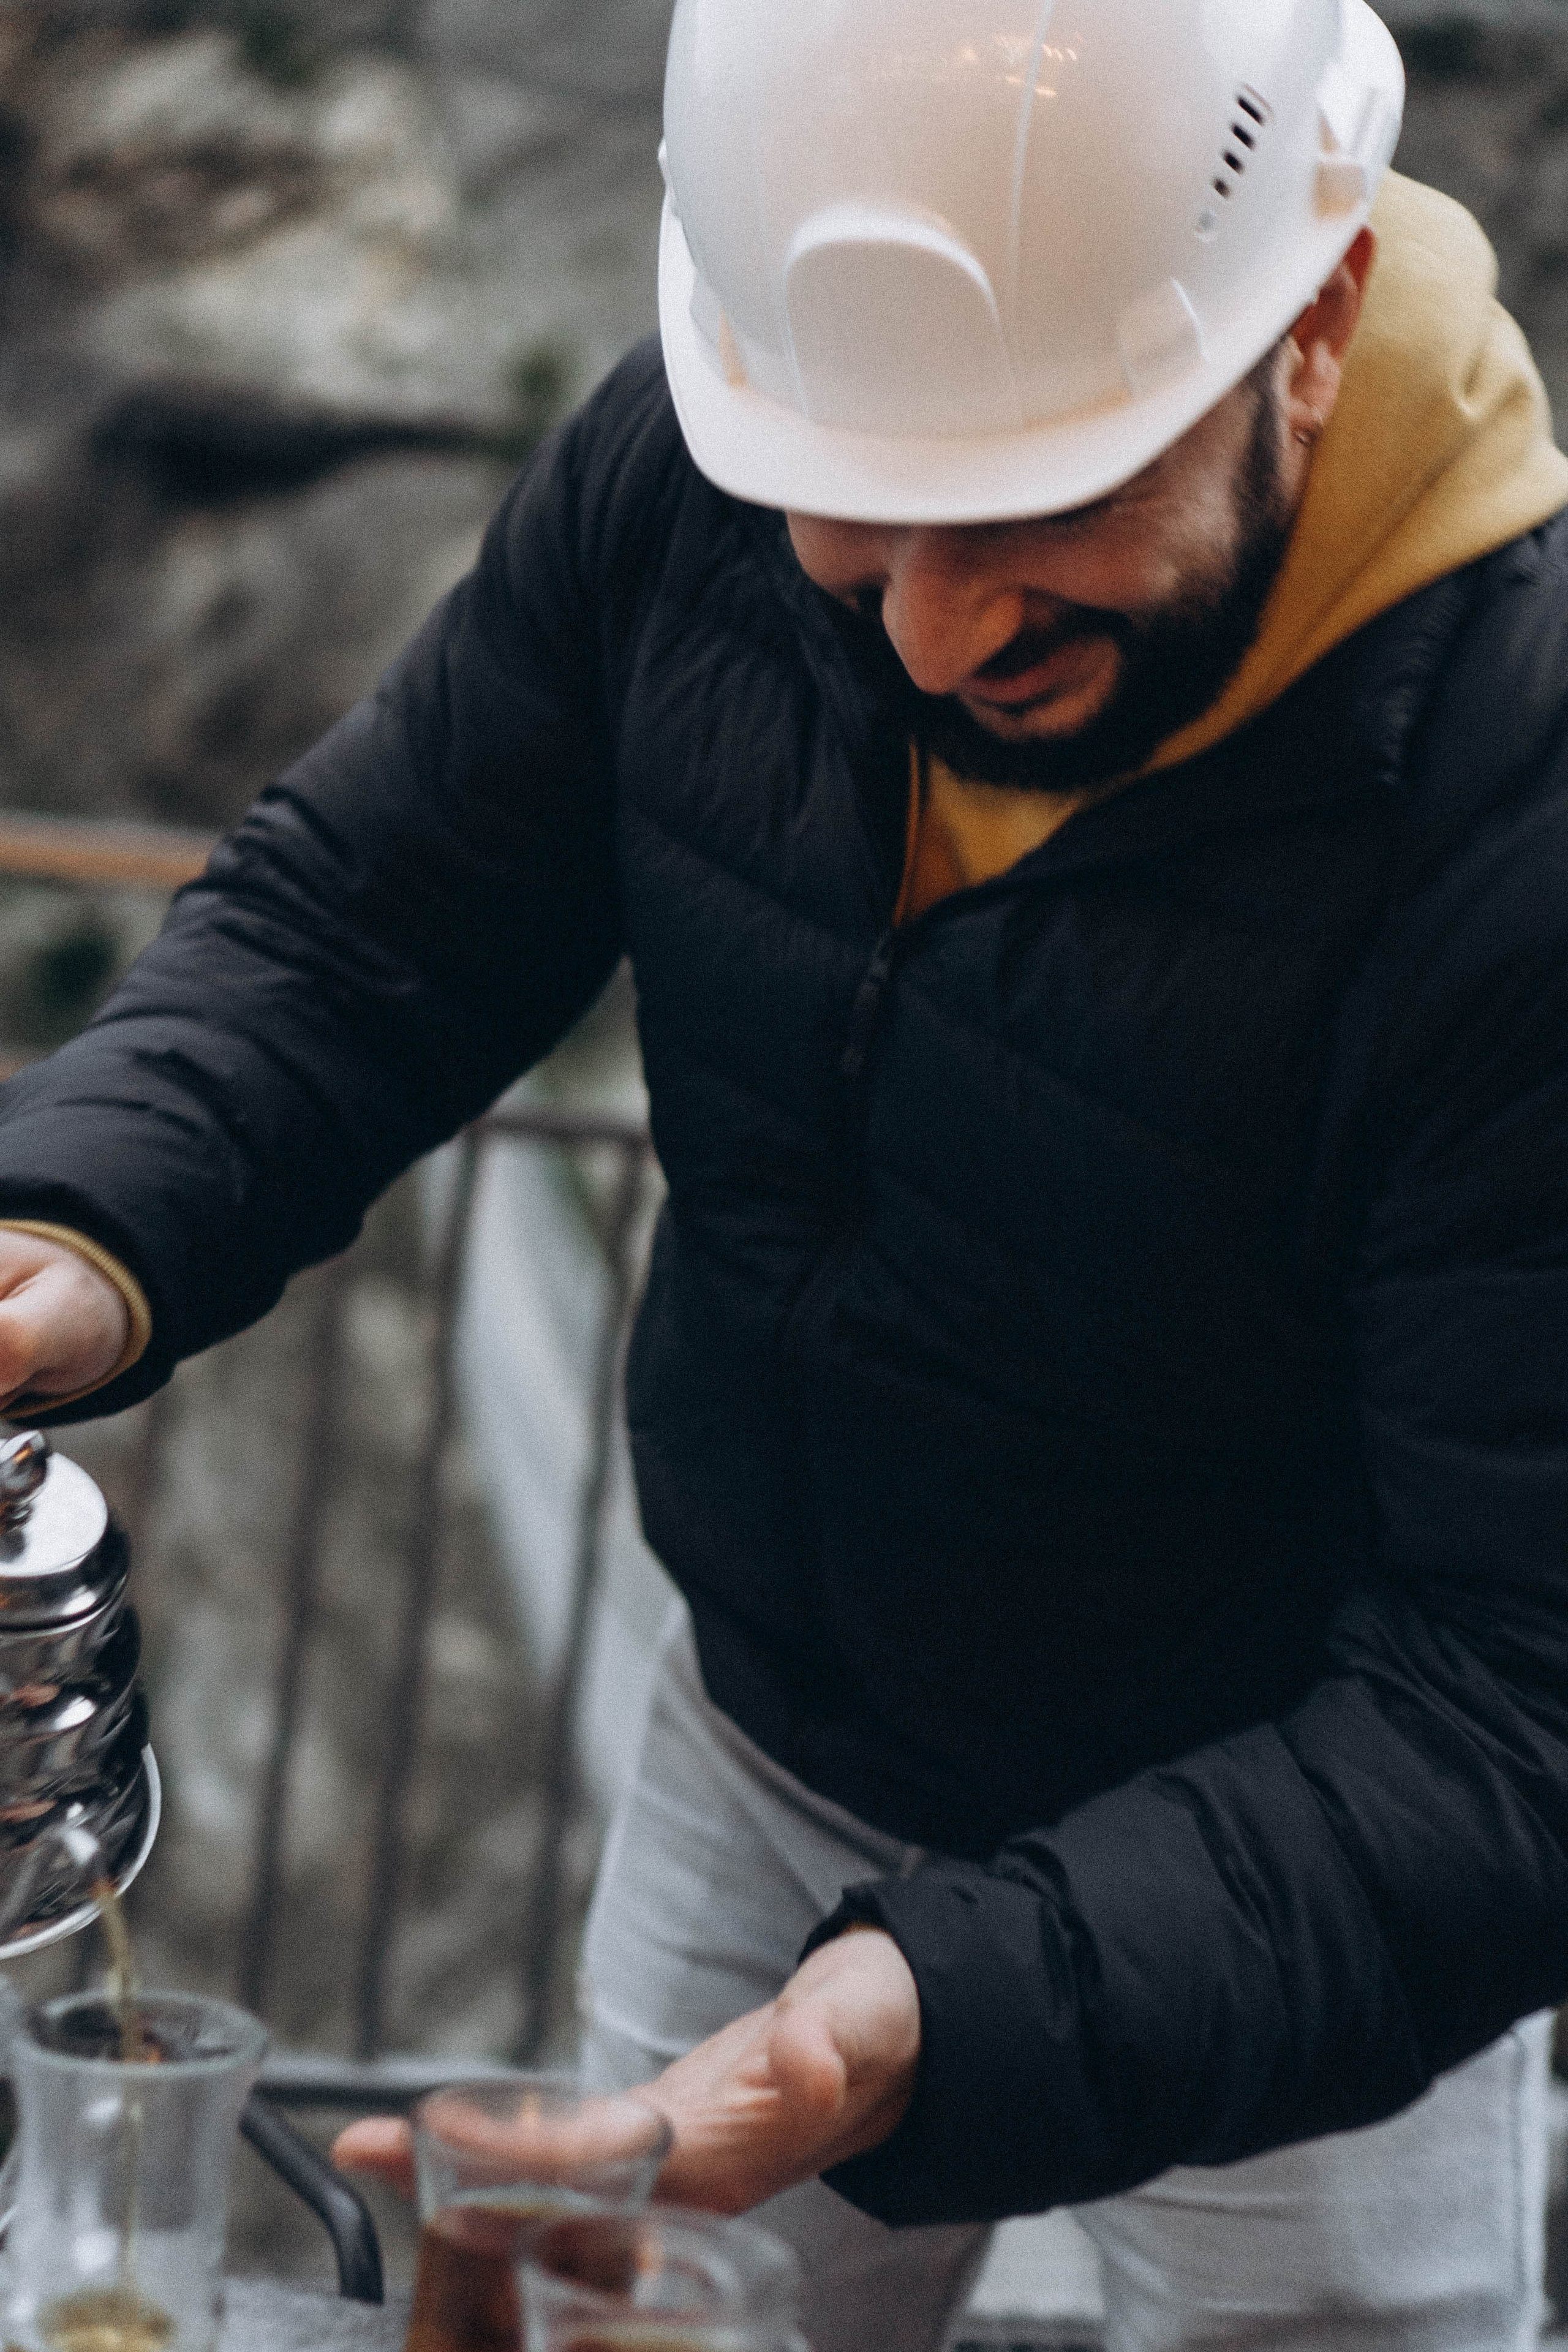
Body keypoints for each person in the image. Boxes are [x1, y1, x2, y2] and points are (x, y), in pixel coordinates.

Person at [1, 1, 1566, 2344]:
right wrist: (69, 1236)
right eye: (857, 535)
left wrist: (909, 2017)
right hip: (764, 1754)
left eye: (1038, 503)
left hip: (1308, 1920)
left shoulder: (1516, 805)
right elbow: (374, 920)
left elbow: (1512, 1701)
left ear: (1314, 326)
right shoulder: (705, 466)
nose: (931, 630)